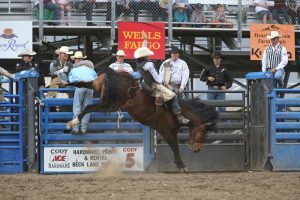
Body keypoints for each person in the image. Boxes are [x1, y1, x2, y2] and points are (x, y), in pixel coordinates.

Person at [134, 34, 190, 124]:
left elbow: (143, 49)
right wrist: (162, 83)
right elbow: (157, 77)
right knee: (173, 96)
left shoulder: (139, 62)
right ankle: (178, 116)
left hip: (146, 84)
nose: (148, 54)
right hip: (155, 85)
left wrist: (145, 40)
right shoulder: (150, 65)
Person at [69, 51, 97, 134]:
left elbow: (71, 80)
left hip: (80, 86)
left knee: (77, 108)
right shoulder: (91, 70)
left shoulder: (74, 70)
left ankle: (76, 128)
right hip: (90, 87)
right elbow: (96, 79)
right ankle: (84, 129)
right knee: (86, 108)